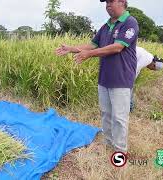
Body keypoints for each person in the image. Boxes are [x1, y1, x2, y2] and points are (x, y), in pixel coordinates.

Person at [55, 0, 139, 153]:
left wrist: (89, 54)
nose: (107, 4)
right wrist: (72, 48)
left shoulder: (130, 22)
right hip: (104, 79)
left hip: (121, 79)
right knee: (106, 113)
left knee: (119, 118)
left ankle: (120, 151)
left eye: (110, 1)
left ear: (122, 2)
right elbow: (92, 45)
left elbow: (118, 47)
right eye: (106, 2)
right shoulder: (106, 26)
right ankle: (108, 144)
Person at [130, 46, 163, 111]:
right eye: (153, 69)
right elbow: (134, 70)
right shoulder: (147, 59)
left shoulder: (148, 56)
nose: (150, 69)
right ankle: (130, 107)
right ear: (154, 65)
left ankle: (130, 107)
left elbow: (137, 70)